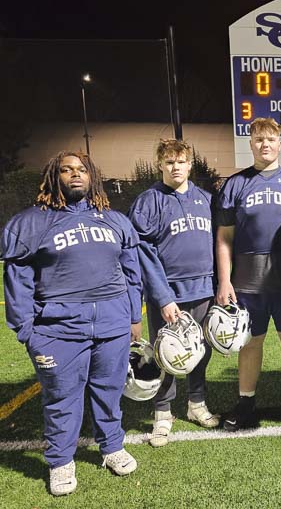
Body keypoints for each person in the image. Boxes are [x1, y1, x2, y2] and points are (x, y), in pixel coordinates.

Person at [2, 152, 142, 496]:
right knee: (61, 398)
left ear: (92, 176)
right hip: (58, 329)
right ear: (54, 177)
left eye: (81, 170)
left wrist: (133, 316)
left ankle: (111, 447)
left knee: (109, 393)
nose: (74, 175)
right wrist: (26, 330)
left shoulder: (113, 220)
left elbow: (131, 270)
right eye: (66, 170)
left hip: (112, 325)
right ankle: (61, 461)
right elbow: (17, 278)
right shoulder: (33, 222)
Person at [214, 117, 281, 430]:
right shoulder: (235, 184)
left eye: (270, 139)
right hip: (248, 283)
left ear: (279, 143)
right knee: (250, 344)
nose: (265, 145)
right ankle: (246, 403)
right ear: (251, 144)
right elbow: (224, 238)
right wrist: (224, 280)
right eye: (259, 140)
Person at [127, 139, 218, 447]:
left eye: (181, 162)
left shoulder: (205, 198)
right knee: (167, 354)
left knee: (199, 351)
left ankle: (196, 404)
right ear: (160, 165)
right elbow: (143, 252)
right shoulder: (148, 201)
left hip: (203, 289)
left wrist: (218, 286)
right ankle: (163, 412)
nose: (175, 167)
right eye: (169, 162)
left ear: (190, 164)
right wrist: (163, 297)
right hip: (169, 294)